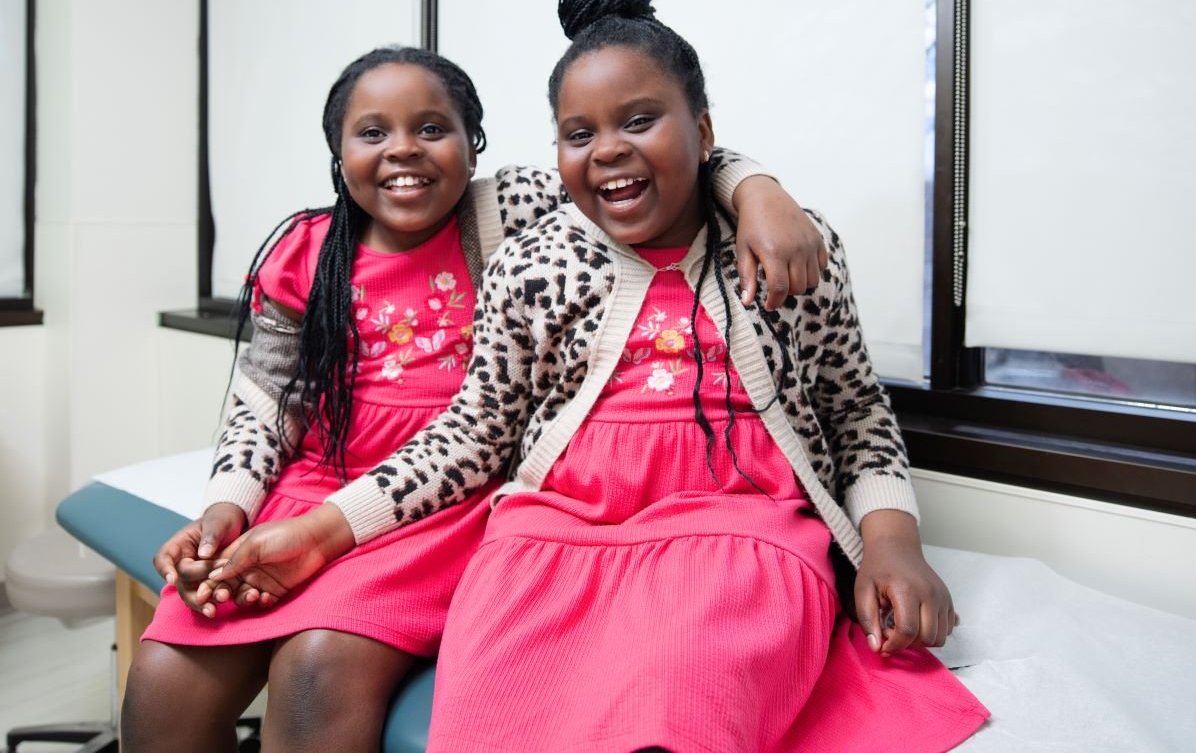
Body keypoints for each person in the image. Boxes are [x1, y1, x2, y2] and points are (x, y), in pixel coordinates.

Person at [207, 0, 991, 752]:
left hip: (738, 542)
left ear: (706, 134)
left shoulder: (783, 248)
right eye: (580, 134)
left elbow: (855, 409)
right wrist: (325, 530)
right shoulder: (536, 262)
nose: (609, 150)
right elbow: (472, 434)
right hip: (546, 545)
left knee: (677, 713)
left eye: (641, 120)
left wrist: (894, 546)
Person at [121, 43, 829, 753]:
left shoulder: (508, 209)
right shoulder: (306, 252)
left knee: (315, 669)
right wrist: (227, 507)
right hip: (317, 486)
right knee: (159, 679)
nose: (404, 151)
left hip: (440, 503)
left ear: (472, 143)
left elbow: (649, 166)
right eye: (373, 133)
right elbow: (268, 401)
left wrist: (755, 189)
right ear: (337, 153)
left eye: (433, 129)